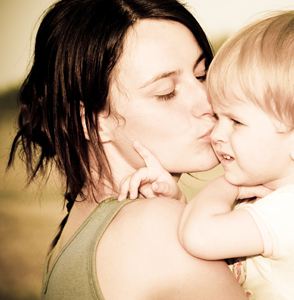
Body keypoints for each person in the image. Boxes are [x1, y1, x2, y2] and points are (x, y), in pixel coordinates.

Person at [121, 10, 294, 300]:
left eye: (236, 121)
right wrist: (175, 200)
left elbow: (200, 236)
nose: (216, 133)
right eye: (218, 115)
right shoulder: (288, 196)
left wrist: (227, 185)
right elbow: (213, 232)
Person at [7, 0, 248, 299]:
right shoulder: (157, 228)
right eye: (166, 92)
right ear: (91, 123)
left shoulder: (74, 234)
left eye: (201, 75)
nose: (208, 102)